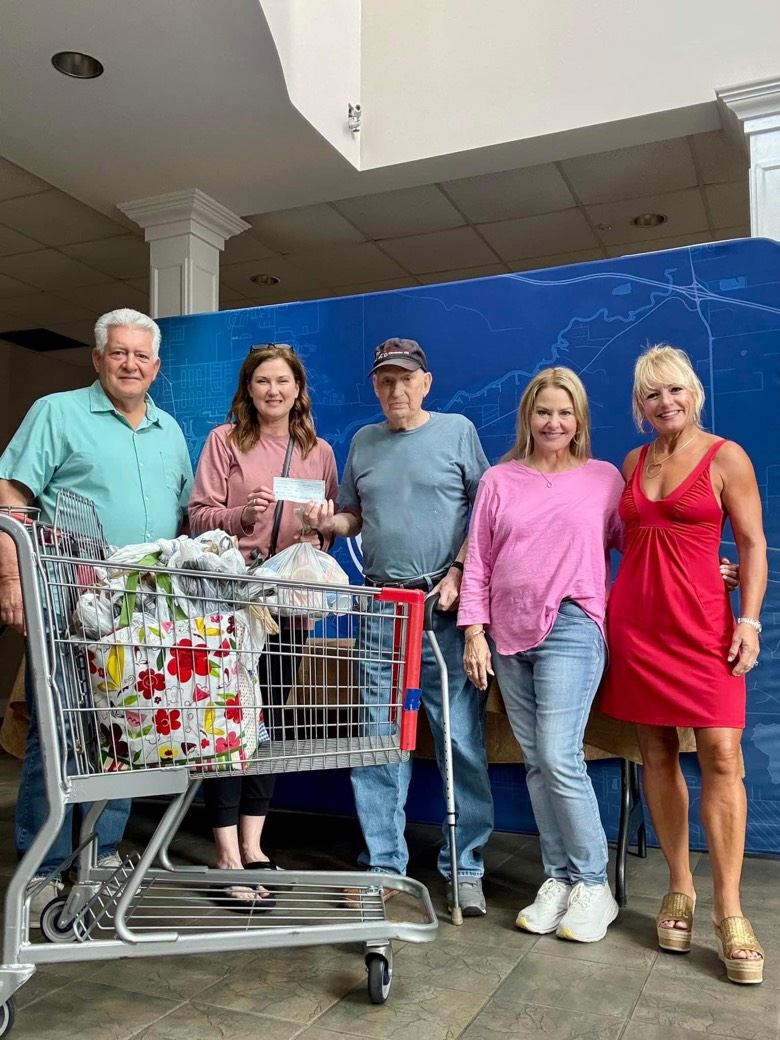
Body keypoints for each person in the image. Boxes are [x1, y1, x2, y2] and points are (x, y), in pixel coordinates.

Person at [0, 307, 193, 922]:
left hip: (144, 610)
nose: (130, 364)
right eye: (119, 353)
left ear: (156, 367)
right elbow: (11, 496)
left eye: (141, 356)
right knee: (57, 731)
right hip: (65, 600)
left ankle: (102, 852)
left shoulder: (172, 431)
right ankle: (44, 867)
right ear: (98, 358)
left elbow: (188, 516)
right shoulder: (57, 412)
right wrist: (11, 575)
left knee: (125, 728)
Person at [304, 337, 494, 916]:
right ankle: (384, 863)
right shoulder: (363, 441)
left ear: (426, 382)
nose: (396, 389)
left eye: (406, 378)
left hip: (444, 607)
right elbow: (353, 515)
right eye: (386, 380)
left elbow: (486, 514)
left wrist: (462, 573)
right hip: (382, 609)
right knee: (379, 738)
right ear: (375, 386)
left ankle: (465, 866)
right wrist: (325, 521)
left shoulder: (457, 431)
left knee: (459, 741)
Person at [600, 345, 767, 984]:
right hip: (637, 626)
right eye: (651, 395)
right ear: (640, 407)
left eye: (674, 390)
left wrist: (747, 619)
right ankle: (679, 888)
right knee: (658, 754)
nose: (665, 402)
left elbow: (752, 546)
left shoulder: (728, 457)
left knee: (723, 755)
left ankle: (730, 911)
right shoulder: (632, 462)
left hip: (703, 628)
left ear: (693, 392)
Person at [458, 367, 624, 942]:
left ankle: (594, 885)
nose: (553, 422)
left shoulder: (606, 480)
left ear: (579, 419)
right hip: (507, 634)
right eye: (543, 411)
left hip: (574, 625)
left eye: (564, 412)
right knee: (536, 761)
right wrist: (474, 631)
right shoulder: (501, 479)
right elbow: (477, 558)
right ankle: (559, 879)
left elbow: (650, 542)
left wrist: (710, 569)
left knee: (558, 755)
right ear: (528, 416)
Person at [188, 343, 337, 909]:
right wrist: (240, 516)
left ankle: (254, 844)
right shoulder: (224, 441)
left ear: (299, 389)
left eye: (283, 381)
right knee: (226, 722)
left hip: (286, 606)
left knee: (267, 720)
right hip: (229, 600)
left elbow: (330, 526)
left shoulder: (318, 451)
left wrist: (320, 533)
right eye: (262, 382)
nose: (273, 391)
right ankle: (225, 852)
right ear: (248, 390)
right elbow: (198, 514)